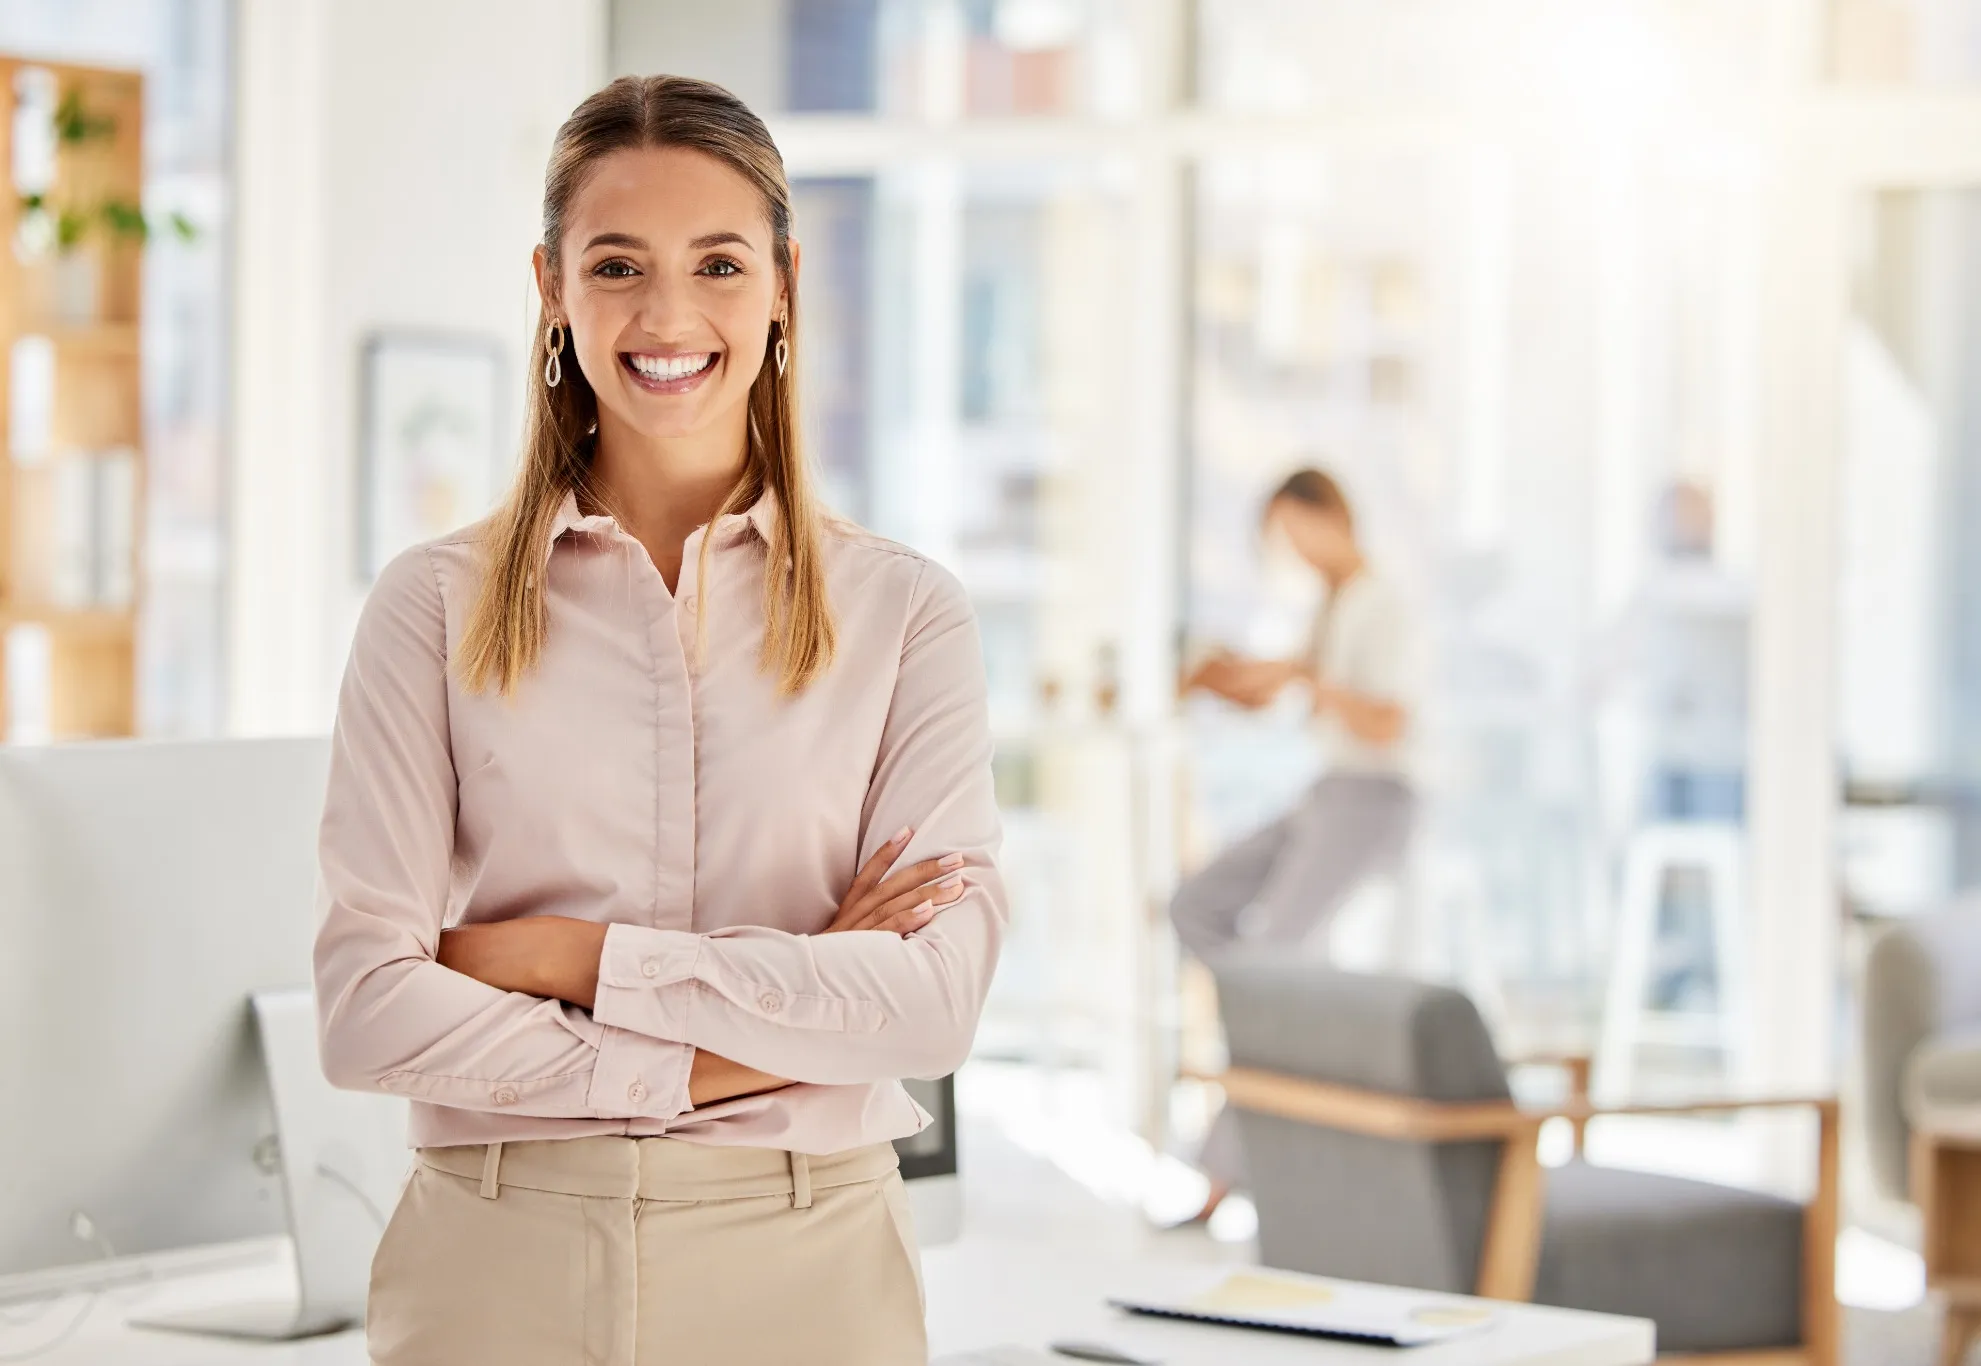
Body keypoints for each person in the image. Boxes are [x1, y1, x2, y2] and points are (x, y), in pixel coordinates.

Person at [312, 76, 1005, 1366]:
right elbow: (366, 1010)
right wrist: (733, 1052)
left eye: (720, 263)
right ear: (550, 286)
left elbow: (925, 1009)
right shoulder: (431, 608)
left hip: (807, 1273)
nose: (667, 314)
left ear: (784, 282)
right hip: (494, 1260)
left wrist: (570, 958)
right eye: (617, 263)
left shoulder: (907, 616)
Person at [1170, 467, 1418, 1221]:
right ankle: (1287, 1008)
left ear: (1329, 515)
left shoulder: (1384, 602)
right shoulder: (1331, 604)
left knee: (1275, 961)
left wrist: (1309, 678)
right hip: (1325, 792)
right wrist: (1219, 680)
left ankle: (1223, 1178)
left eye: (1291, 530)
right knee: (1195, 906)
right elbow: (1283, 696)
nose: (1290, 549)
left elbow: (1387, 723)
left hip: (1372, 798)